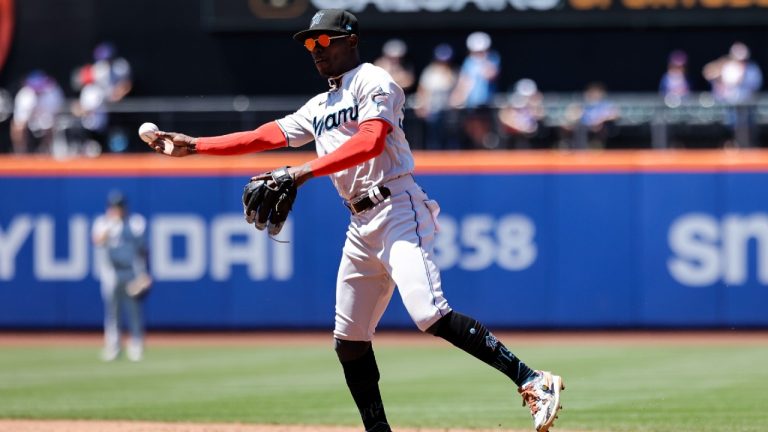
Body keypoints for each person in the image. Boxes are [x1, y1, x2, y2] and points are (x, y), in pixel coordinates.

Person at [146, 9, 564, 432]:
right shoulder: (320, 105)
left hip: (398, 206)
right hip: (359, 224)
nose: (315, 50)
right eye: (310, 44)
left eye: (324, 41)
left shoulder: (374, 81)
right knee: (349, 341)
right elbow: (263, 136)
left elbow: (370, 141)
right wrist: (195, 145)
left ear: (350, 40)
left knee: (428, 313)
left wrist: (300, 172)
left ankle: (532, 379)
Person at [92, 191, 149, 362]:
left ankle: (136, 345)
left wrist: (145, 273)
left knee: (134, 311)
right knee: (112, 312)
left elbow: (143, 250)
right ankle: (113, 346)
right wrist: (112, 225)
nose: (118, 210)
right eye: (115, 206)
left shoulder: (135, 223)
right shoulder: (103, 223)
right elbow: (97, 240)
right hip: (111, 271)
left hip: (131, 271)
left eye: (120, 206)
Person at [70, 42, 133, 154]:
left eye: (108, 58)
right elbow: (81, 81)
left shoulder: (121, 66)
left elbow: (126, 84)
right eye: (103, 59)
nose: (106, 61)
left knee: (120, 130)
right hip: (102, 103)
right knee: (99, 130)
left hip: (120, 104)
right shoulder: (97, 69)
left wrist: (118, 94)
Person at [702, 42, 763, 147]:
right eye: (737, 58)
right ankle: (734, 143)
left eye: (742, 59)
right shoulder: (728, 67)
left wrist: (742, 78)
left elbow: (755, 84)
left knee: (747, 126)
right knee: (732, 123)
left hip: (748, 106)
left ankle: (748, 145)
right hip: (731, 105)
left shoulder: (752, 69)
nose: (740, 61)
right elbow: (708, 72)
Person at [450, 31, 501, 149]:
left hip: (486, 103)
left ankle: (486, 147)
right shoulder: (469, 62)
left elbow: (491, 75)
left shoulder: (493, 58)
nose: (478, 53)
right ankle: (477, 147)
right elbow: (464, 81)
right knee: (471, 128)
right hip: (471, 104)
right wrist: (457, 97)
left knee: (486, 128)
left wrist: (483, 60)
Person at [414, 43, 459, 149]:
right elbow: (422, 90)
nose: (443, 63)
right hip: (433, 109)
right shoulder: (429, 71)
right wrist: (422, 106)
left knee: (450, 138)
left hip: (449, 111)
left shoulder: (453, 71)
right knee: (434, 138)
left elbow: (458, 89)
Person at [10, 70, 64, 154]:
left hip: (45, 121)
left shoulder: (52, 92)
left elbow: (55, 115)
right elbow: (20, 120)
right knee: (17, 127)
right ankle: (20, 152)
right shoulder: (24, 95)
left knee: (51, 126)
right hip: (29, 122)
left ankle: (46, 151)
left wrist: (47, 122)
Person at [560, 82, 620, 149]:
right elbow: (576, 114)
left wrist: (601, 120)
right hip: (585, 126)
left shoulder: (606, 104)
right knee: (579, 126)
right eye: (592, 92)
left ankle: (596, 145)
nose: (594, 94)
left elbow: (614, 115)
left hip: (600, 127)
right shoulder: (585, 104)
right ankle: (578, 149)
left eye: (596, 92)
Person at [497, 78, 546, 149]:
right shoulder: (511, 106)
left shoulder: (535, 105)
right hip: (514, 137)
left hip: (531, 137)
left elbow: (540, 117)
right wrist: (517, 127)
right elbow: (504, 118)